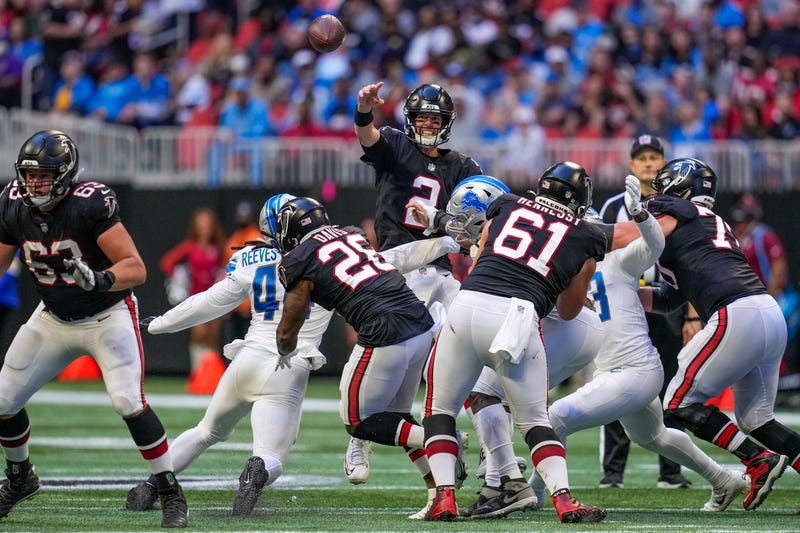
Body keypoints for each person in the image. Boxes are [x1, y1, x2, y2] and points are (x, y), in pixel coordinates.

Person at [0, 130, 187, 528]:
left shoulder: (89, 203)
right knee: (2, 400)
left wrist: (99, 279)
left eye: (44, 175)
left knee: (127, 401)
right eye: (29, 175)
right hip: (52, 317)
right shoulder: (12, 204)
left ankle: (170, 489)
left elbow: (135, 267)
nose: (34, 183)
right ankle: (20, 479)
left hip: (107, 314)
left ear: (66, 175)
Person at [530, 177, 747, 513]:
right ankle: (723, 479)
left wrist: (641, 218)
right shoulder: (565, 271)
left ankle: (535, 493)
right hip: (617, 371)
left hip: (633, 371)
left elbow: (653, 247)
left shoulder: (618, 260)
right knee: (652, 436)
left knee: (556, 417)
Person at [125, 193, 334, 517]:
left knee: (206, 431)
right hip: (288, 363)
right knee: (272, 454)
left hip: (246, 358)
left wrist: (161, 324)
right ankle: (256, 469)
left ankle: (153, 484)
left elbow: (209, 301)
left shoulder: (251, 259)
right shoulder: (330, 259)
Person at [422, 162, 607, 523]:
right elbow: (569, 311)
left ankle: (444, 498)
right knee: (534, 419)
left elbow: (480, 258)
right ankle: (564, 500)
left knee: (439, 410)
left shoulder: (506, 204)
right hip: (517, 316)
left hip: (469, 302)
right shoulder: (586, 235)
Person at [614, 157, 797, 511]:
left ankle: (757, 460)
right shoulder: (710, 224)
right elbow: (673, 298)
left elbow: (624, 235)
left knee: (678, 403)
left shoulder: (674, 210)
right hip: (766, 314)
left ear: (681, 187)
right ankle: (762, 455)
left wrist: (584, 235)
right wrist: (626, 294)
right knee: (755, 419)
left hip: (736, 313)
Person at [273, 197, 460, 520]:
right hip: (419, 321)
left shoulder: (298, 259)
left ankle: (441, 438)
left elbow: (288, 330)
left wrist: (282, 350)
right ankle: (438, 494)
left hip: (383, 330)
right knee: (397, 417)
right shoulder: (351, 234)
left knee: (358, 421)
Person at [347, 81, 482, 486]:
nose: (427, 124)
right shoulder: (396, 147)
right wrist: (363, 110)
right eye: (422, 116)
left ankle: (495, 461)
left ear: (447, 123)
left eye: (435, 118)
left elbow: (479, 222)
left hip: (442, 270)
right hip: (400, 270)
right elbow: (368, 136)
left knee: (475, 345)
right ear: (409, 119)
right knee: (398, 387)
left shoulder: (462, 166)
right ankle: (360, 434)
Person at [597, 134, 697, 489]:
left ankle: (670, 472)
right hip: (625, 303)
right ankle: (613, 473)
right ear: (631, 165)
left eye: (655, 157)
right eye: (642, 158)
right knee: (614, 381)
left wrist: (691, 315)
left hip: (665, 304)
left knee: (671, 385)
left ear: (664, 163)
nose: (649, 163)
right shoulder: (612, 206)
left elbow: (689, 265)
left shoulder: (676, 206)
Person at [729, 193, 799, 384]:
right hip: (746, 300)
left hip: (768, 298)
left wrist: (771, 296)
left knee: (776, 338)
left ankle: (782, 378)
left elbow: (778, 266)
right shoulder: (734, 236)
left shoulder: (763, 234)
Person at [160, 207, 227, 374]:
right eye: (201, 223)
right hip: (196, 297)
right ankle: (198, 371)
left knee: (212, 337)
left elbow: (227, 266)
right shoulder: (190, 247)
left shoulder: (218, 247)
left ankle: (212, 374)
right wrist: (179, 278)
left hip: (216, 298)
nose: (204, 227)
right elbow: (167, 262)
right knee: (199, 335)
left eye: (207, 223)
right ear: (195, 226)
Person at [222, 201, 263, 345]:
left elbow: (256, 273)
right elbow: (227, 271)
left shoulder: (256, 238)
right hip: (235, 302)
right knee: (234, 345)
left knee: (251, 344)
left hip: (251, 302)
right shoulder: (234, 238)